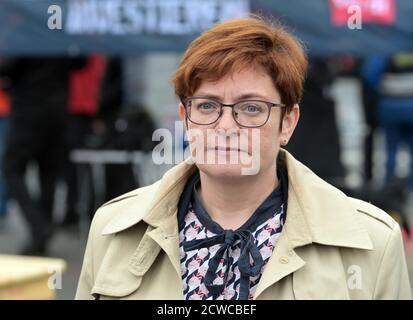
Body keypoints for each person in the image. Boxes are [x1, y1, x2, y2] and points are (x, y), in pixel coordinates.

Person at [76, 16, 411, 300]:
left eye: (251, 108)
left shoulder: (373, 244)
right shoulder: (113, 230)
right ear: (186, 117)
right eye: (207, 106)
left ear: (288, 123)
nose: (225, 126)